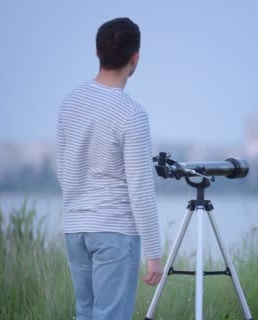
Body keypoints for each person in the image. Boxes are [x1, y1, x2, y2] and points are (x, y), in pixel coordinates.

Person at [56, 17, 163, 320]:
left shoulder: (70, 103)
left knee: (85, 315)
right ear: (135, 58)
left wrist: (80, 208)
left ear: (97, 53)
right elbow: (140, 188)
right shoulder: (132, 114)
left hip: (76, 230)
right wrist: (153, 254)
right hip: (115, 231)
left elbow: (62, 170)